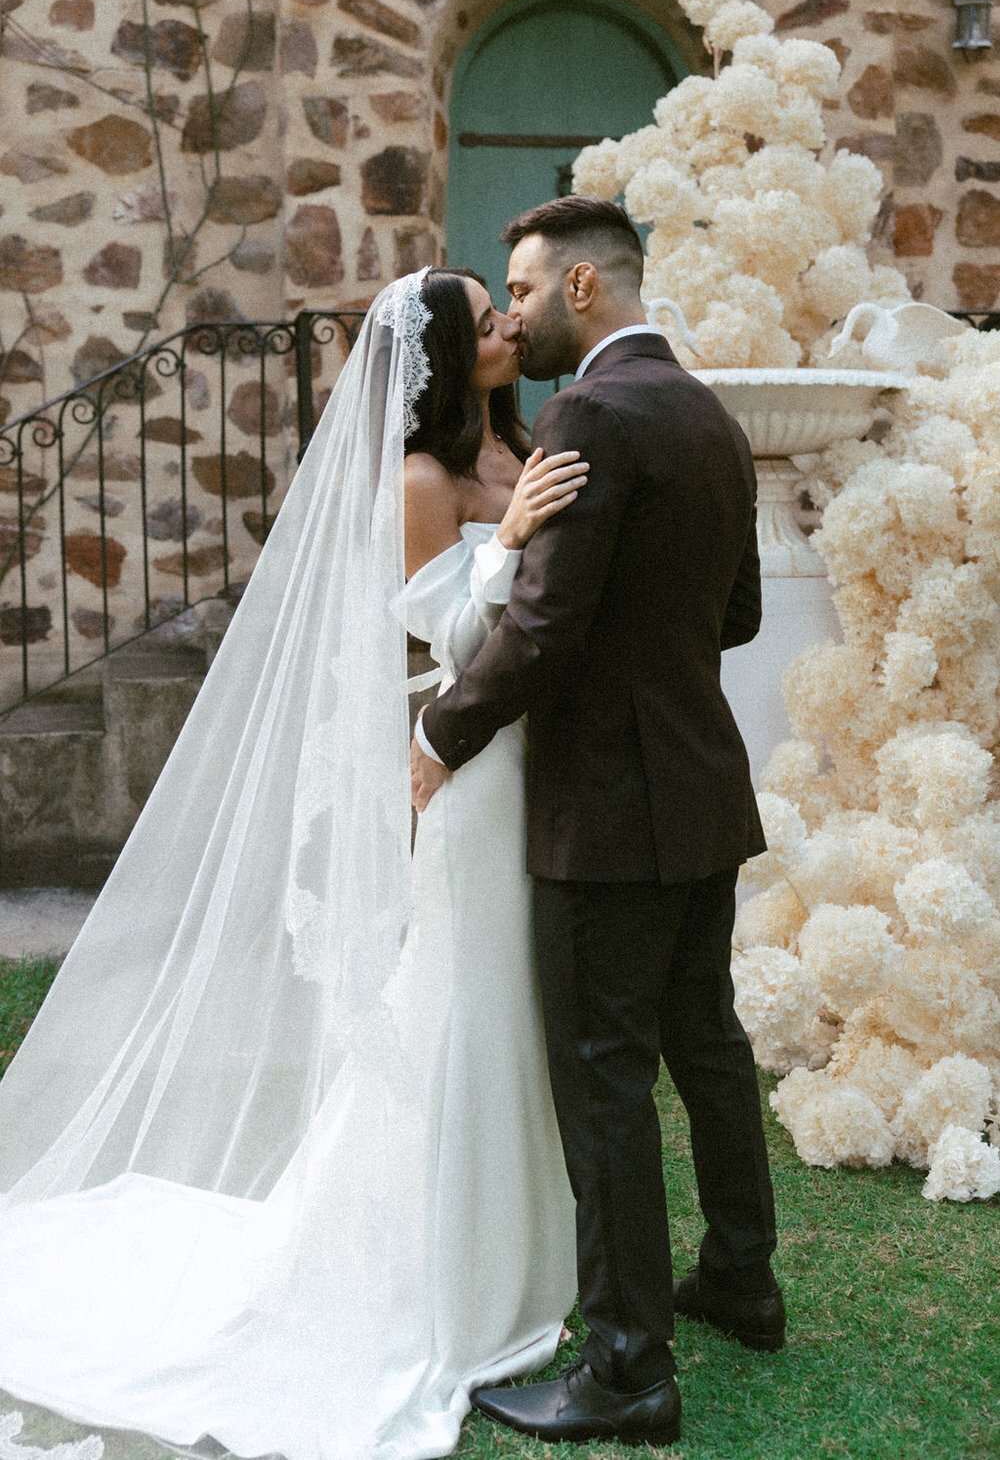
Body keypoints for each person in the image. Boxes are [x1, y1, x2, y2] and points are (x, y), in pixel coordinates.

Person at [0, 268, 586, 1460]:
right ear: (436, 360)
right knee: (459, 1002)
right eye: (485, 320)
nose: (508, 328)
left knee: (517, 1006)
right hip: (467, 773)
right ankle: (432, 1274)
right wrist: (508, 540)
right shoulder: (423, 478)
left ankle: (523, 1256)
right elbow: (438, 635)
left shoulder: (518, 443)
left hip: (541, 763)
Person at [411, 196, 784, 1449]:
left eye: (520, 289)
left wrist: (437, 736)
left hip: (607, 815)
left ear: (583, 287)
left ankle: (627, 1368)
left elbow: (545, 629)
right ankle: (742, 1280)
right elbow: (731, 615)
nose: (509, 314)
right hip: (700, 789)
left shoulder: (588, 414)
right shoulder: (708, 413)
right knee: (708, 1045)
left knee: (605, 1076)